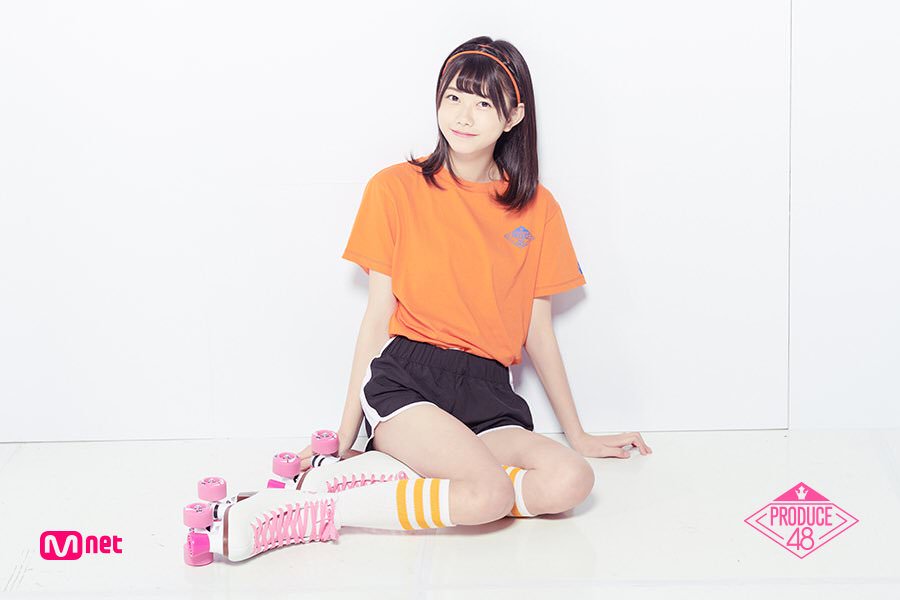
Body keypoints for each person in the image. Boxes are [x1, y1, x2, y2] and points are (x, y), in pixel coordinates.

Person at [298, 36, 652, 532]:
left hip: (490, 393)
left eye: (484, 103)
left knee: (571, 479)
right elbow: (377, 316)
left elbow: (537, 332)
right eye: (454, 97)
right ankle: (318, 509)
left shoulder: (538, 208)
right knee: (488, 493)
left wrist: (579, 435)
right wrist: (343, 436)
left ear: (513, 116)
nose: (464, 116)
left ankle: (399, 477)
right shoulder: (394, 187)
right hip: (409, 380)